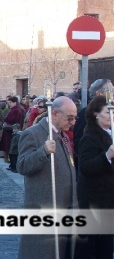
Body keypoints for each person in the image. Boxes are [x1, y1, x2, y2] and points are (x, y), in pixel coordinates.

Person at [17, 96, 78, 259]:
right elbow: (22, 165)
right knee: (41, 252)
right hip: (44, 206)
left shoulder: (63, 135)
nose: (73, 122)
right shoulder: (33, 133)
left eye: (75, 118)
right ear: (55, 113)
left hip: (65, 206)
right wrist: (42, 151)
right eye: (70, 118)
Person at [74, 96, 114, 259]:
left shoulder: (110, 134)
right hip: (94, 200)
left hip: (108, 200)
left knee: (105, 246)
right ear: (96, 114)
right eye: (108, 112)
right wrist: (107, 155)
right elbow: (86, 167)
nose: (111, 115)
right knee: (89, 247)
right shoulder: (90, 137)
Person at [0, 96, 23, 163]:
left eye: (10, 102)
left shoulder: (16, 109)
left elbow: (13, 119)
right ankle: (7, 158)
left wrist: (5, 118)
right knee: (7, 145)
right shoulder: (13, 109)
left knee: (9, 145)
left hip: (11, 130)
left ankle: (10, 160)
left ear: (15, 102)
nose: (9, 104)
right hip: (8, 129)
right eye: (8, 102)